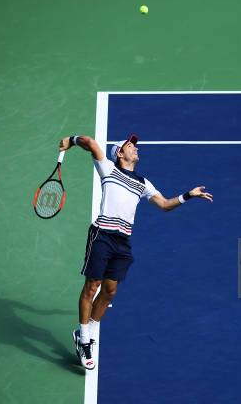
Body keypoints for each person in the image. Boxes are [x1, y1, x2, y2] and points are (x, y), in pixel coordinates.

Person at [58, 134, 213, 370]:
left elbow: (164, 205)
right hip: (102, 235)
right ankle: (85, 338)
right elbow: (89, 143)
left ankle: (88, 331)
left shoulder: (143, 183)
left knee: (109, 292)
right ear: (120, 153)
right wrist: (71, 139)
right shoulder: (108, 169)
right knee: (92, 286)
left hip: (123, 242)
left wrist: (188, 195)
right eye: (131, 146)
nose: (136, 148)